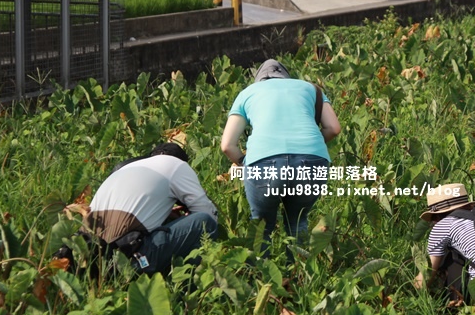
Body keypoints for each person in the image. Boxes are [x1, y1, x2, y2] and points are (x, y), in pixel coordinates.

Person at [220, 59, 341, 258]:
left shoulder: (248, 93)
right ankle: (299, 278)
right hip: (312, 160)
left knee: (261, 226)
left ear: (260, 80)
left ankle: (261, 279)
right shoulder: (311, 88)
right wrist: (310, 149)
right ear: (287, 77)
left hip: (263, 163)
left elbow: (227, 145)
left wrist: (243, 163)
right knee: (297, 221)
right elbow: (333, 128)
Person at [85, 142, 219, 275]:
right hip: (126, 261)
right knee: (203, 223)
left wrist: (169, 216)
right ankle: (189, 284)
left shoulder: (128, 168)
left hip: (88, 258)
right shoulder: (176, 165)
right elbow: (208, 213)